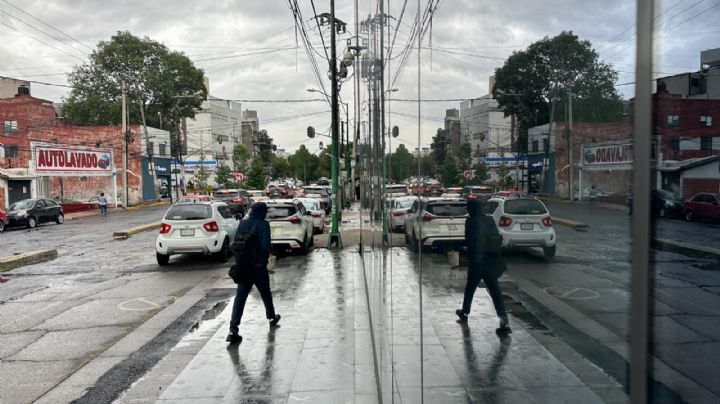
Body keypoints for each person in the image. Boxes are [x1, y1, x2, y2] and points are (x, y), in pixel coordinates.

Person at [227, 202, 281, 344]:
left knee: (240, 298)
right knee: (265, 293)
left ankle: (233, 329)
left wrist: (241, 261)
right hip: (257, 267)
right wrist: (261, 261)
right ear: (262, 212)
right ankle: (271, 317)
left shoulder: (243, 224)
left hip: (244, 267)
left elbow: (236, 244)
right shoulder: (263, 225)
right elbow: (265, 247)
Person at [456, 198, 510, 334]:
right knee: (495, 290)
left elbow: (469, 242)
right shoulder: (489, 220)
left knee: (470, 288)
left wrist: (464, 253)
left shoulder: (470, 222)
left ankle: (465, 311)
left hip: (476, 261)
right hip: (490, 260)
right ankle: (503, 317)